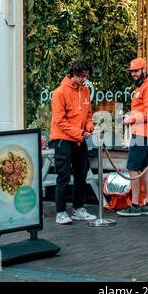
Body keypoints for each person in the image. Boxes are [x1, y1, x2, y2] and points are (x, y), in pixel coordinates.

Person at [50, 61, 97, 225]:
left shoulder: (85, 91)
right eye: (82, 76)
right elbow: (59, 121)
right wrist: (80, 133)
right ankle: (61, 212)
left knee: (81, 175)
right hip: (63, 139)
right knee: (63, 176)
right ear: (73, 74)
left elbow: (88, 115)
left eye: (86, 76)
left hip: (79, 139)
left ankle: (78, 209)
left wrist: (90, 127)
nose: (85, 79)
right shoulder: (59, 92)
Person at [117, 57, 148, 217]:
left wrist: (131, 119)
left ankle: (135, 205)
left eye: (136, 71)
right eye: (132, 72)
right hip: (144, 133)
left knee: (133, 168)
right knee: (145, 167)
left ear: (144, 70)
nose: (133, 74)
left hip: (143, 133)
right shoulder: (146, 85)